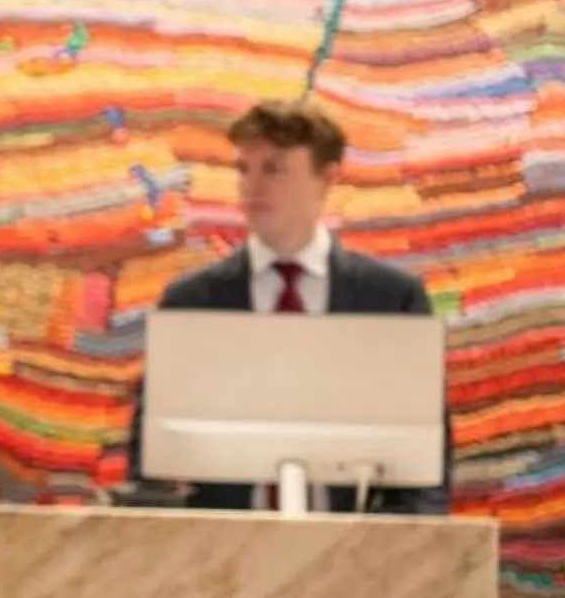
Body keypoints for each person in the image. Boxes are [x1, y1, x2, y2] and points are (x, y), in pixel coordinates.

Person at [127, 100, 452, 513]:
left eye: (274, 169)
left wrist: (388, 557)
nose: (252, 186)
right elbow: (151, 461)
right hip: (218, 561)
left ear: (326, 178)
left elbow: (425, 466)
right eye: (244, 169)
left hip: (357, 559)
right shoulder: (191, 303)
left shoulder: (390, 300)